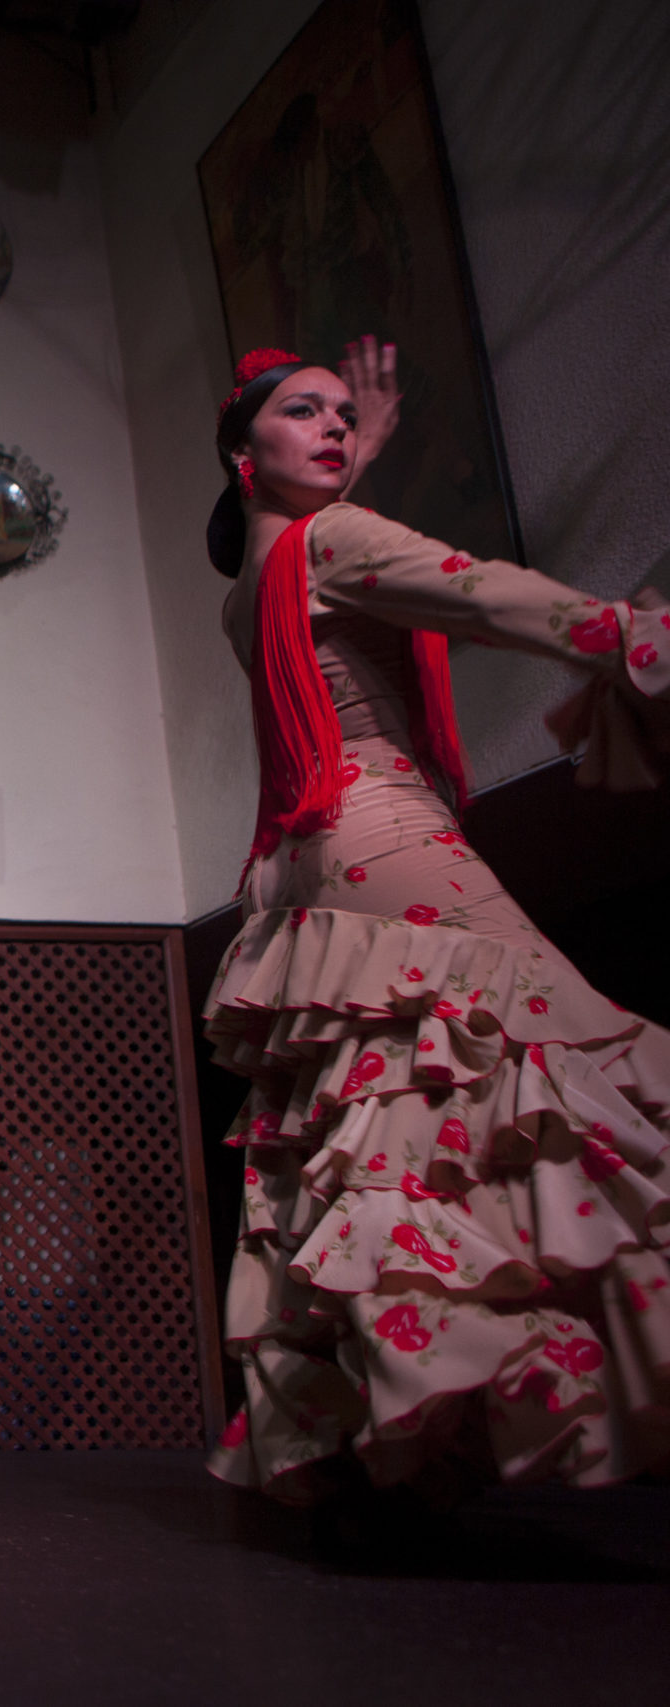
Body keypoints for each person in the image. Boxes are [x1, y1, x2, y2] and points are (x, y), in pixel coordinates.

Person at [198, 341, 670, 1527]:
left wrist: (350, 457)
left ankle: (383, 1418)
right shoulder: (338, 544)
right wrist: (630, 634)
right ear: (239, 450)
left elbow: (328, 547)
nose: (334, 428)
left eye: (344, 417)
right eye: (302, 413)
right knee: (570, 1069)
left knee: (390, 1117)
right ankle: (492, 1379)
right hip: (382, 831)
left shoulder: (252, 579)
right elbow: (476, 589)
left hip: (307, 858)